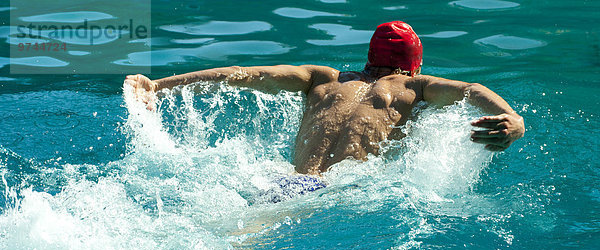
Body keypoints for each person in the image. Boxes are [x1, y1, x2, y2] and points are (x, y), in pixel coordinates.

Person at [124, 21, 524, 177]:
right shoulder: (415, 89)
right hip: (336, 194)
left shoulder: (321, 78)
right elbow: (472, 92)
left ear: (369, 58)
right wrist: (513, 119)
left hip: (283, 180)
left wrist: (158, 87)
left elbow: (241, 75)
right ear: (414, 66)